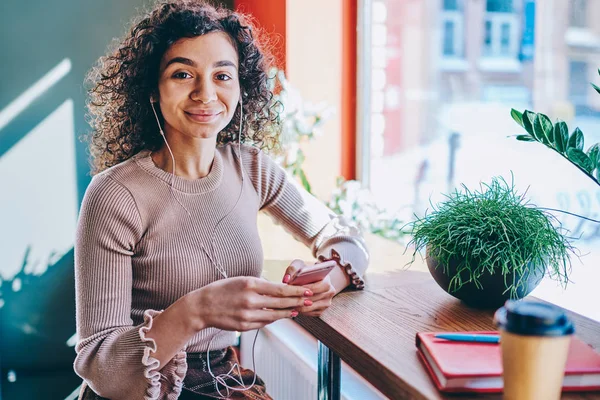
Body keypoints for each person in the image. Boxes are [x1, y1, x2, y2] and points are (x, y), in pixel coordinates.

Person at [74, 1, 369, 399]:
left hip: (226, 382)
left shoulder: (252, 168)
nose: (206, 93)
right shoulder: (114, 195)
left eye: (222, 76)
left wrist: (326, 282)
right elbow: (101, 367)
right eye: (183, 74)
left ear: (241, 87)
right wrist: (197, 311)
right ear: (152, 90)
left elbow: (345, 238)